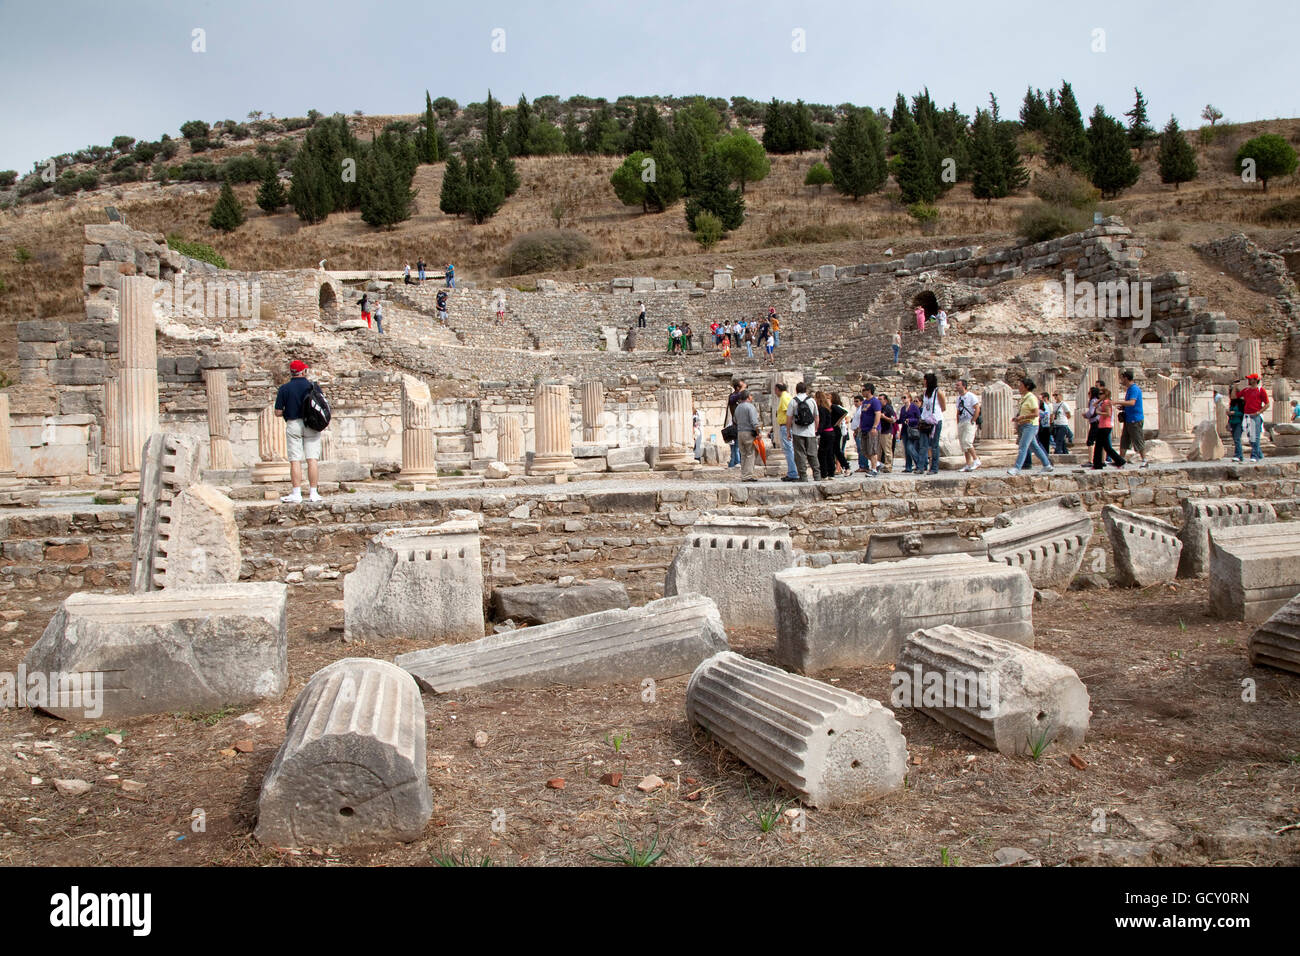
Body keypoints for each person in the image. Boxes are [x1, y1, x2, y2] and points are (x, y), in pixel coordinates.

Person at [274, 359, 324, 503]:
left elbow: (277, 412)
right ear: (304, 371)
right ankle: (313, 492)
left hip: (293, 423)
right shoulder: (312, 386)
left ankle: (297, 493)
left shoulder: (284, 389)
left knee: (295, 459)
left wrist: (286, 412)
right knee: (312, 459)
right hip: (312, 424)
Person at [1008, 377, 1054, 476]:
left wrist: (1023, 417)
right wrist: (1018, 419)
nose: (1019, 387)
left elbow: (1036, 413)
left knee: (1023, 446)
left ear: (1026, 387)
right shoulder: (1024, 398)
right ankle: (1047, 465)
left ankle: (1017, 468)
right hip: (1024, 424)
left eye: (1020, 385)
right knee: (1035, 447)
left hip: (1030, 425)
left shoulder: (1032, 398)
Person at [1117, 369, 1150, 468]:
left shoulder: (1134, 389)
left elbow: (1132, 402)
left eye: (1122, 378)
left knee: (1138, 439)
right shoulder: (1129, 389)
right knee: (1124, 440)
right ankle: (1121, 461)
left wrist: (1117, 402)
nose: (1121, 381)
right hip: (1128, 418)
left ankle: (1144, 460)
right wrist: (1123, 407)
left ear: (1126, 378)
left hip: (1135, 419)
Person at [1235, 373, 1270, 462]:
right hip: (1246, 415)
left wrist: (1259, 412)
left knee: (1255, 436)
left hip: (1255, 415)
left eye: (1250, 379)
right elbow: (1234, 396)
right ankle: (1260, 454)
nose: (1248, 380)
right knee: (1250, 437)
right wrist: (1235, 387)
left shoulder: (1261, 390)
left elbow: (1267, 404)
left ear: (1255, 380)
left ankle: (1254, 456)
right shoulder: (1246, 390)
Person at [789, 382, 820, 481]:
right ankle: (817, 475)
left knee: (799, 454)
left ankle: (803, 476)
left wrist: (788, 431)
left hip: (797, 432)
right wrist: (815, 428)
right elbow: (816, 416)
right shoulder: (811, 401)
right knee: (812, 454)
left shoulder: (793, 401)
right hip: (810, 432)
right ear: (806, 390)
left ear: (796, 390)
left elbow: (789, 418)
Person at [1091, 386, 1126, 470]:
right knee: (1100, 445)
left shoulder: (1106, 402)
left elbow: (1108, 414)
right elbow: (1094, 404)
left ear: (1105, 394)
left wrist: (1099, 412)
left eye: (1101, 394)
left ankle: (1119, 461)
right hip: (1102, 426)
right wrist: (1100, 399)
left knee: (1104, 446)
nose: (1099, 395)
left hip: (1105, 426)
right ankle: (1097, 464)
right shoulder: (1103, 402)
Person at [919, 372, 947, 475]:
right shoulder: (925, 392)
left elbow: (943, 407)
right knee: (923, 445)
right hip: (925, 420)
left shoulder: (938, 392)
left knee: (934, 445)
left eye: (925, 380)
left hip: (935, 421)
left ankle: (934, 468)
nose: (923, 382)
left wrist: (934, 416)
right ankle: (921, 467)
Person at [955, 379, 981, 472]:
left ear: (964, 386)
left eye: (958, 385)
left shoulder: (971, 396)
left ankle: (976, 460)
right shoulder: (958, 398)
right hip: (962, 421)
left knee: (967, 441)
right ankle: (968, 464)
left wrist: (973, 420)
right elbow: (958, 411)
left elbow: (977, 408)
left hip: (969, 421)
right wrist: (957, 422)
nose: (956, 387)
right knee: (963, 444)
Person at [774, 382, 798, 482]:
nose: (774, 392)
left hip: (786, 426)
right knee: (789, 449)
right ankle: (793, 471)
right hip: (786, 426)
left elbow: (789, 414)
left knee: (788, 450)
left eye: (775, 389)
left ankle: (793, 473)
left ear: (778, 389)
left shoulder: (784, 398)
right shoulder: (787, 397)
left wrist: (788, 429)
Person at [735, 390, 760, 481]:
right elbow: (754, 422)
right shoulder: (750, 407)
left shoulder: (738, 407)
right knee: (751, 453)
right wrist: (758, 433)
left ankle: (744, 474)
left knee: (743, 454)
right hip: (748, 432)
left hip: (740, 432)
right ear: (748, 397)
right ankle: (748, 475)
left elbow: (735, 420)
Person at [860, 384, 882, 478]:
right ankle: (877, 464)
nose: (862, 392)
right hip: (864, 429)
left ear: (869, 391)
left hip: (871, 429)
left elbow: (878, 414)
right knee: (864, 451)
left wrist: (875, 427)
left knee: (872, 450)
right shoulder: (865, 402)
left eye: (863, 390)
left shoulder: (875, 401)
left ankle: (874, 469)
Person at [899, 392, 922, 473]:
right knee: (906, 449)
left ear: (909, 398)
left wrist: (910, 420)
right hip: (905, 430)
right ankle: (908, 467)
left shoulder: (914, 407)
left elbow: (919, 419)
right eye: (902, 397)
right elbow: (901, 420)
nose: (903, 399)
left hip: (912, 429)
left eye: (904, 397)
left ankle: (919, 464)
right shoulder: (902, 408)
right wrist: (895, 421)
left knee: (910, 447)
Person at [830, 391, 851, 475]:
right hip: (833, 430)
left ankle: (843, 467)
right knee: (834, 450)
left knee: (838, 450)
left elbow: (845, 413)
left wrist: (837, 423)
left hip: (839, 431)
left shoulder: (836, 407)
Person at [725, 380, 745, 467]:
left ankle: (735, 463)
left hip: (740, 424)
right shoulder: (733, 396)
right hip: (734, 425)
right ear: (737, 388)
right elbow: (735, 397)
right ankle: (736, 463)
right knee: (735, 446)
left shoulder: (739, 398)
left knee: (737, 446)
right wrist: (743, 389)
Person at [878, 392, 897, 473]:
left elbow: (893, 420)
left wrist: (884, 417)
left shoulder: (888, 408)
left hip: (886, 432)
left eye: (880, 399)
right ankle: (878, 465)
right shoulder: (879, 408)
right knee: (878, 451)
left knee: (887, 450)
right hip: (879, 431)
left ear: (885, 400)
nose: (879, 401)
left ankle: (888, 466)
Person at [1227, 386, 1246, 462]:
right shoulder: (1232, 403)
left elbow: (1243, 413)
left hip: (1239, 422)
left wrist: (1235, 413)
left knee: (1237, 439)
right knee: (1235, 440)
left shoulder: (1241, 402)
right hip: (1232, 422)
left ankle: (1237, 455)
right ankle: (1240, 455)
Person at [1037, 392, 1052, 461]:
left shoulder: (1045, 407)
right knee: (1043, 444)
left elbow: (1044, 417)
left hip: (1044, 427)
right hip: (1045, 426)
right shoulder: (1045, 406)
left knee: (1043, 444)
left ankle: (1046, 460)